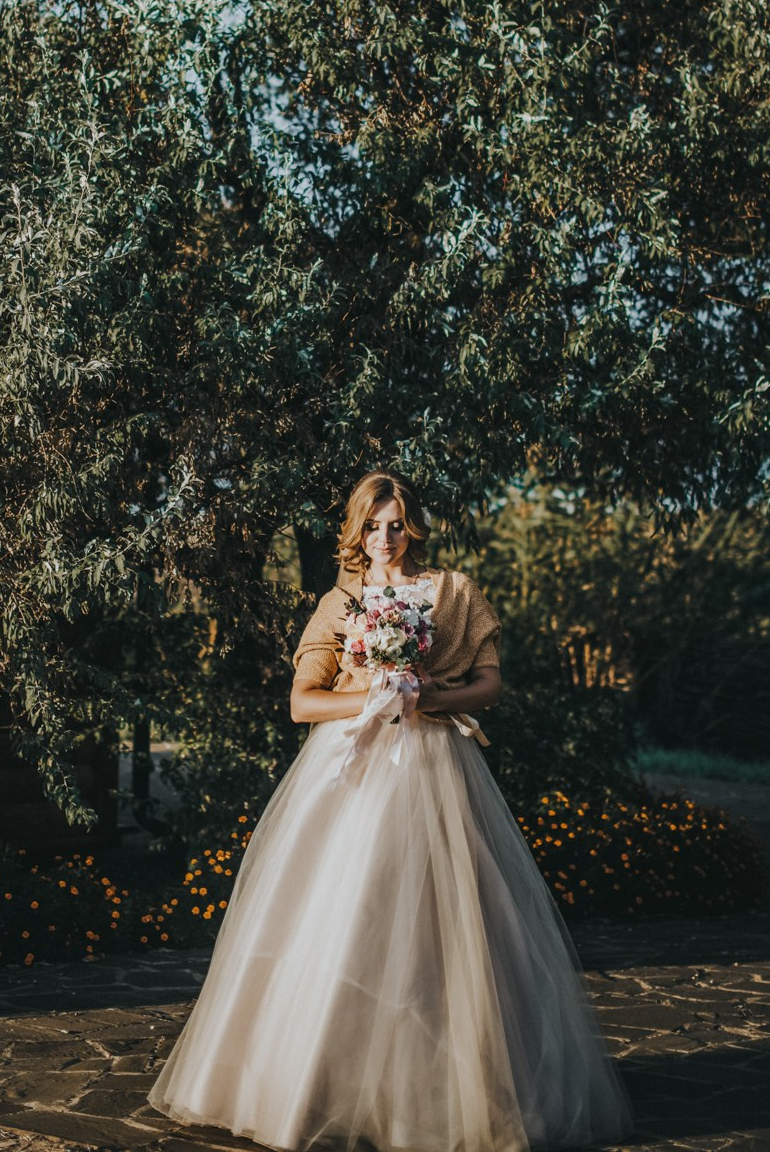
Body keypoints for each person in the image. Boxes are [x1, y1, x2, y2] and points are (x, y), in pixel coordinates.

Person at [147, 470, 634, 1152]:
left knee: (446, 922)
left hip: (436, 769)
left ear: (414, 525)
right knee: (347, 912)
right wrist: (377, 698)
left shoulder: (454, 591)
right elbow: (303, 703)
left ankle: (443, 1092)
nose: (385, 537)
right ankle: (317, 1086)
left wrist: (428, 696)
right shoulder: (339, 601)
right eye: (373, 525)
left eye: (397, 523)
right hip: (350, 773)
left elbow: (490, 685)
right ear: (356, 529)